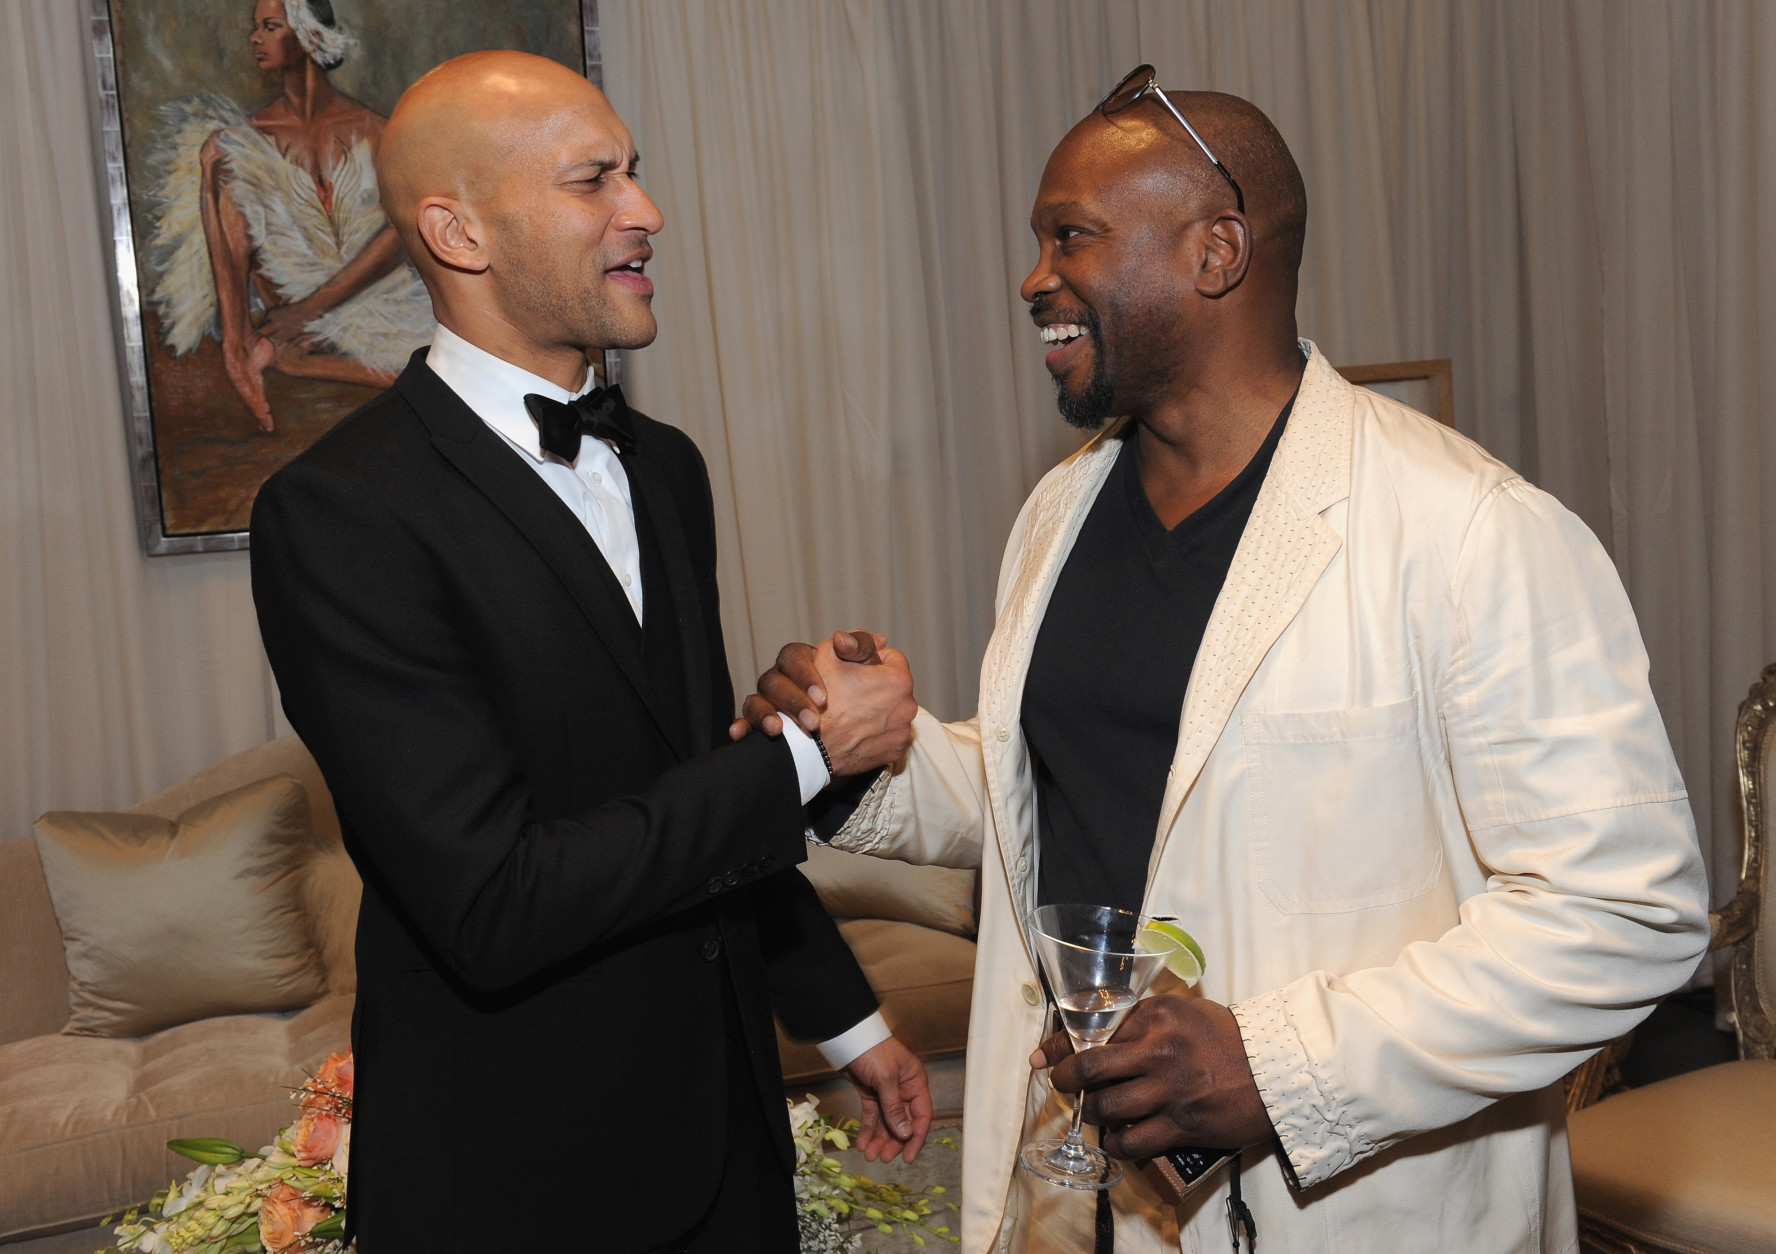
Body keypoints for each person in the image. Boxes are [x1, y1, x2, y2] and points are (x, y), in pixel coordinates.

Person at [741, 77, 1711, 1253]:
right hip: (1070, 1192)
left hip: (1345, 1214)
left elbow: (1627, 910)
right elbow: (1057, 786)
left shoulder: (1469, 530)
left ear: (1216, 252)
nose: (1034, 278)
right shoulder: (1060, 512)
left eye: (1071, 235)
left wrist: (1279, 1066)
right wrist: (864, 763)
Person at [250, 51, 929, 1254]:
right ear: (459, 232)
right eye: (592, 180)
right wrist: (807, 761)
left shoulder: (665, 466)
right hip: (521, 1178)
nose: (646, 211)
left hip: (727, 1142)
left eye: (638, 174)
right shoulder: (342, 515)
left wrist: (844, 1022)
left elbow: (680, 781)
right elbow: (493, 902)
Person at [146, 0, 433, 432]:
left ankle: (300, 361)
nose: (254, 38)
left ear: (306, 35)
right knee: (221, 155)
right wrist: (209, 174)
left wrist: (310, 311)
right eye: (255, 27)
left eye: (270, 26)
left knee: (444, 361)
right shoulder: (250, 138)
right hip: (294, 298)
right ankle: (240, 349)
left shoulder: (374, 128)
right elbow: (231, 245)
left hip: (374, 298)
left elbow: (402, 231)